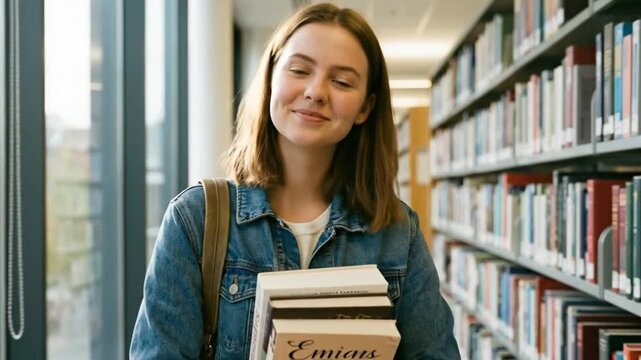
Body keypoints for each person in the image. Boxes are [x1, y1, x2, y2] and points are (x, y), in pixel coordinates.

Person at [130, 3, 459, 359]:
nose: (316, 91)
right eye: (300, 70)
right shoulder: (196, 219)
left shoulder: (397, 232)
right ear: (271, 78)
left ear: (365, 107)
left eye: (342, 81)